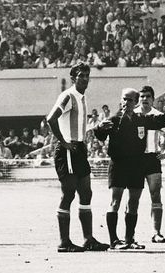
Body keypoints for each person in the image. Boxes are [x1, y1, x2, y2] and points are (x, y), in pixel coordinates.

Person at [94, 88, 165, 250]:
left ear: (135, 102)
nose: (126, 103)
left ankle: (130, 240)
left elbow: (162, 120)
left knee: (134, 203)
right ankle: (114, 241)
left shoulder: (142, 120)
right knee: (115, 202)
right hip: (118, 165)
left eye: (130, 100)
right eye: (124, 99)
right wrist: (99, 127)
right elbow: (100, 136)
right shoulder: (113, 120)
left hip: (137, 165)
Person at [47, 62, 109, 252]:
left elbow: (77, 126)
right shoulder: (68, 96)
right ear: (73, 78)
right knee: (69, 193)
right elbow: (51, 118)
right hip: (68, 150)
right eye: (81, 75)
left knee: (86, 192)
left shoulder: (82, 98)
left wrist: (97, 128)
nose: (84, 78)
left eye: (87, 75)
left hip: (80, 148)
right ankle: (64, 242)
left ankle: (88, 238)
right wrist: (64, 142)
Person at [134, 86, 165, 243]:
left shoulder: (158, 116)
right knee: (134, 197)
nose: (144, 99)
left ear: (153, 99)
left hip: (153, 159)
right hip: (136, 159)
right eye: (142, 96)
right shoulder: (133, 115)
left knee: (155, 195)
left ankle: (156, 232)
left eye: (147, 96)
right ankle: (130, 234)